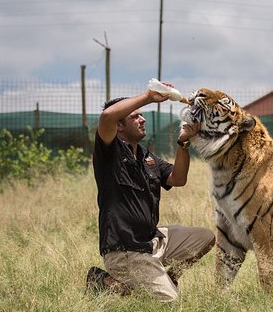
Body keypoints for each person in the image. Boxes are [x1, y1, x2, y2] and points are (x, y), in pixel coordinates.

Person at [86, 89, 215, 302]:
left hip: (152, 242)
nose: (143, 119)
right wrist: (149, 97)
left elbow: (178, 179)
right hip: (127, 252)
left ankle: (168, 279)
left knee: (205, 237)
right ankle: (104, 280)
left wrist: (183, 143)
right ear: (119, 126)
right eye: (134, 116)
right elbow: (107, 116)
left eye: (142, 114)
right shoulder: (109, 152)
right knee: (170, 302)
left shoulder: (147, 157)